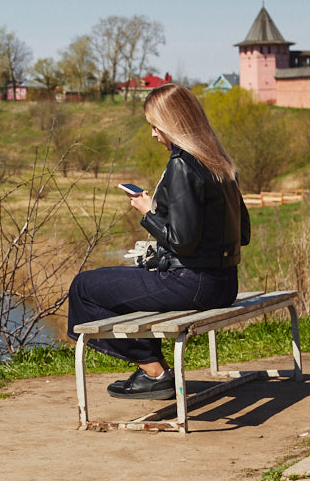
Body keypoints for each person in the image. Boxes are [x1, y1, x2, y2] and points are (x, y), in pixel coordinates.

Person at [66, 83, 250, 399]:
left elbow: (183, 242)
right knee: (123, 285)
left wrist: (148, 211)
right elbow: (242, 232)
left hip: (191, 282)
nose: (153, 134)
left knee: (83, 287)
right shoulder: (220, 162)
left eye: (155, 126)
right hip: (224, 283)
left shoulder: (182, 163)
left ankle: (153, 371)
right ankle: (154, 369)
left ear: (172, 124)